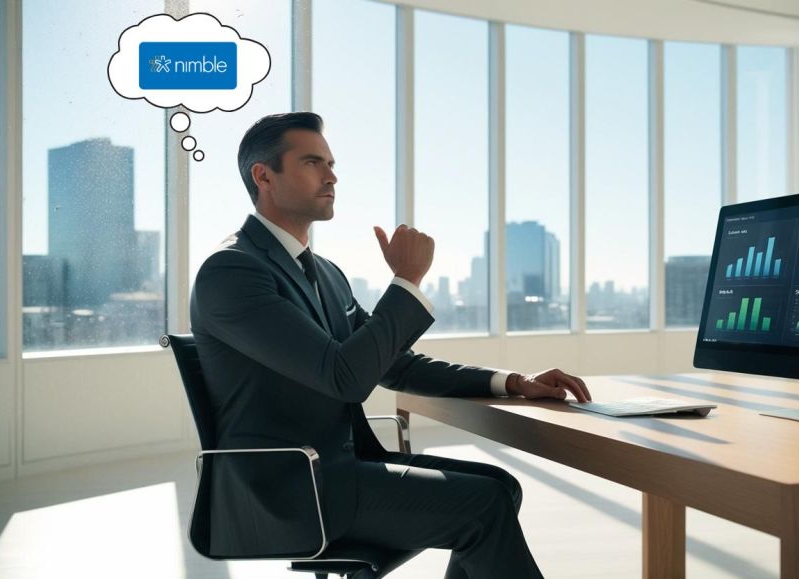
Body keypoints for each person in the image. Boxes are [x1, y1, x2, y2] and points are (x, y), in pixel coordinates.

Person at [190, 112, 592, 578]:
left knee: (501, 486)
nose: (332, 176)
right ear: (264, 176)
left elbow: (395, 366)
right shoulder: (232, 271)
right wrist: (406, 281)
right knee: (483, 506)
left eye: (331, 163)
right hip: (289, 490)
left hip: (340, 470)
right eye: (312, 162)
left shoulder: (326, 274)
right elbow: (345, 377)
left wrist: (514, 383)